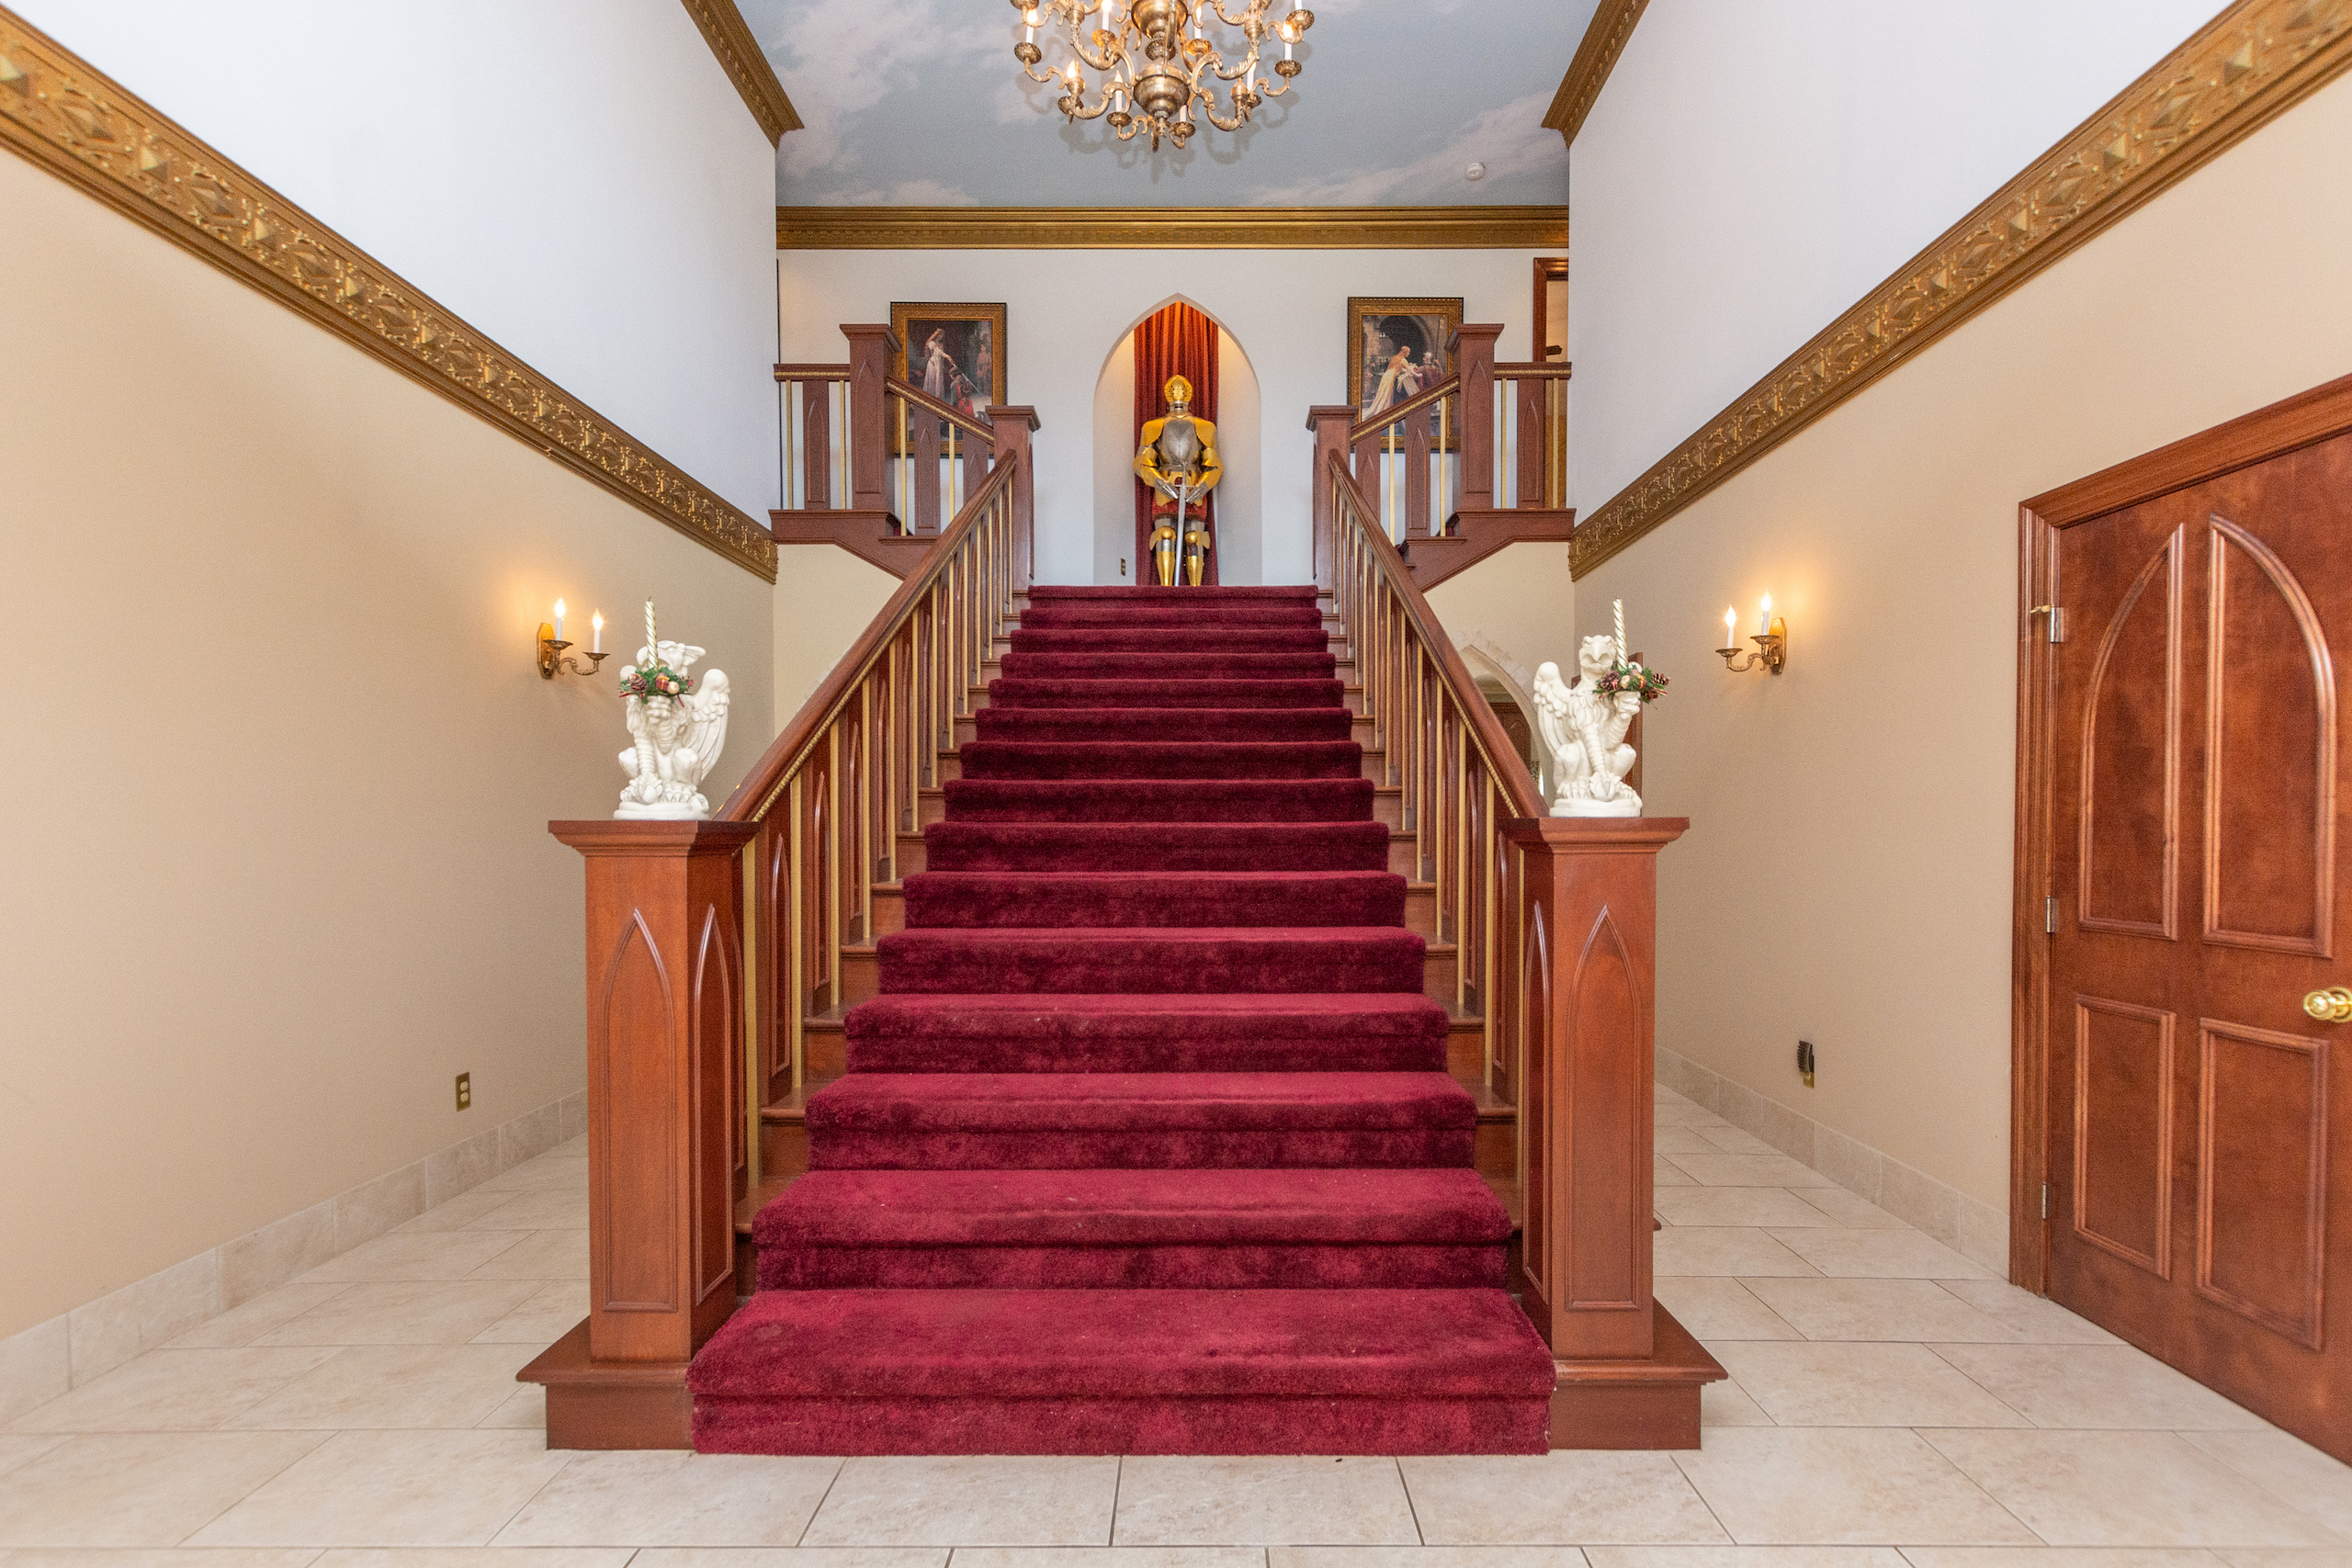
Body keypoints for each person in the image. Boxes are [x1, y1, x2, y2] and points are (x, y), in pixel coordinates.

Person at [1133, 374, 1223, 586]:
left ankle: (1195, 592)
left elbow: (1213, 464)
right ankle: (1166, 591)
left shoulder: (1205, 427)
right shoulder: (1152, 427)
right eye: (1174, 389)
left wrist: (1203, 484)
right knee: (1165, 535)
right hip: (1165, 487)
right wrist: (1157, 480)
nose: (1178, 392)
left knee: (1194, 538)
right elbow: (1142, 463)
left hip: (1194, 487)